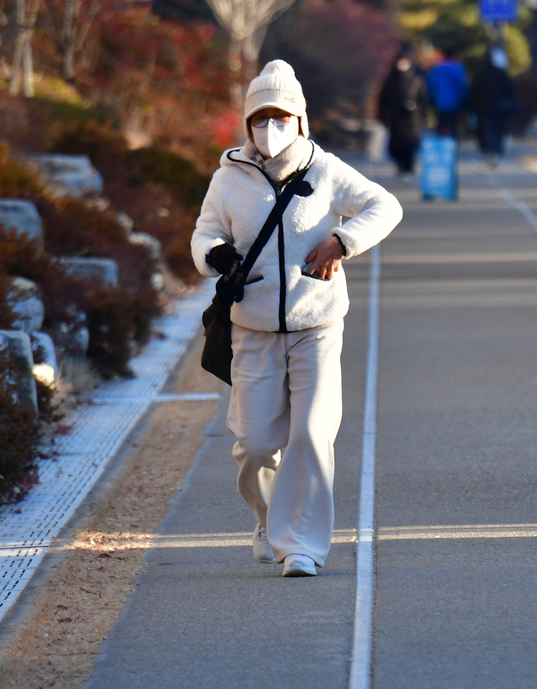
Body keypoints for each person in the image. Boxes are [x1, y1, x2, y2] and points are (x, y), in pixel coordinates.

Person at [192, 60, 403, 576]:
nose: (271, 126)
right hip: (253, 328)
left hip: (318, 325)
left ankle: (301, 546)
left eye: (281, 115)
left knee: (311, 433)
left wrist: (343, 241)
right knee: (257, 445)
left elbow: (386, 206)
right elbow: (204, 235)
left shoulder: (326, 171)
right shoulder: (228, 179)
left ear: (301, 120)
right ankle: (268, 517)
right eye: (260, 116)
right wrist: (218, 257)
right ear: (247, 123)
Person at [377, 43, 428, 180]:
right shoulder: (391, 79)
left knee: (411, 146)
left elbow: (423, 100)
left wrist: (424, 117)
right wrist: (382, 117)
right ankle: (400, 167)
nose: (403, 64)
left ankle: (408, 169)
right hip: (396, 119)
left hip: (413, 119)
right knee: (397, 147)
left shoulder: (417, 79)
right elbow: (383, 99)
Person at [473, 46, 516, 168]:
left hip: (484, 108)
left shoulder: (481, 73)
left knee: (488, 130)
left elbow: (475, 92)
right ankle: (495, 151)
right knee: (498, 130)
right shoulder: (501, 73)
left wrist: (473, 106)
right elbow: (510, 91)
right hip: (500, 108)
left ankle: (491, 151)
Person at [425, 43, 469, 138]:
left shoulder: (435, 69)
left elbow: (430, 86)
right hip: (455, 103)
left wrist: (432, 100)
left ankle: (442, 145)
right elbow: (463, 87)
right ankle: (451, 145)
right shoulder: (458, 69)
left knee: (441, 125)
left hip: (439, 102)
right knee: (452, 125)